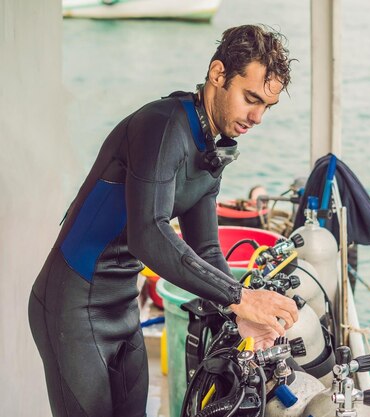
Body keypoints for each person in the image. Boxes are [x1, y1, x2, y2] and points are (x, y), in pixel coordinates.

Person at [28, 25, 298, 417]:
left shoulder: (211, 147)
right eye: (250, 98)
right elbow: (148, 235)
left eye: (266, 107)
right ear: (218, 74)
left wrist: (238, 314)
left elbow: (205, 249)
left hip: (121, 306)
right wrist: (241, 299)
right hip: (71, 304)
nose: (256, 117)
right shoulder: (162, 126)